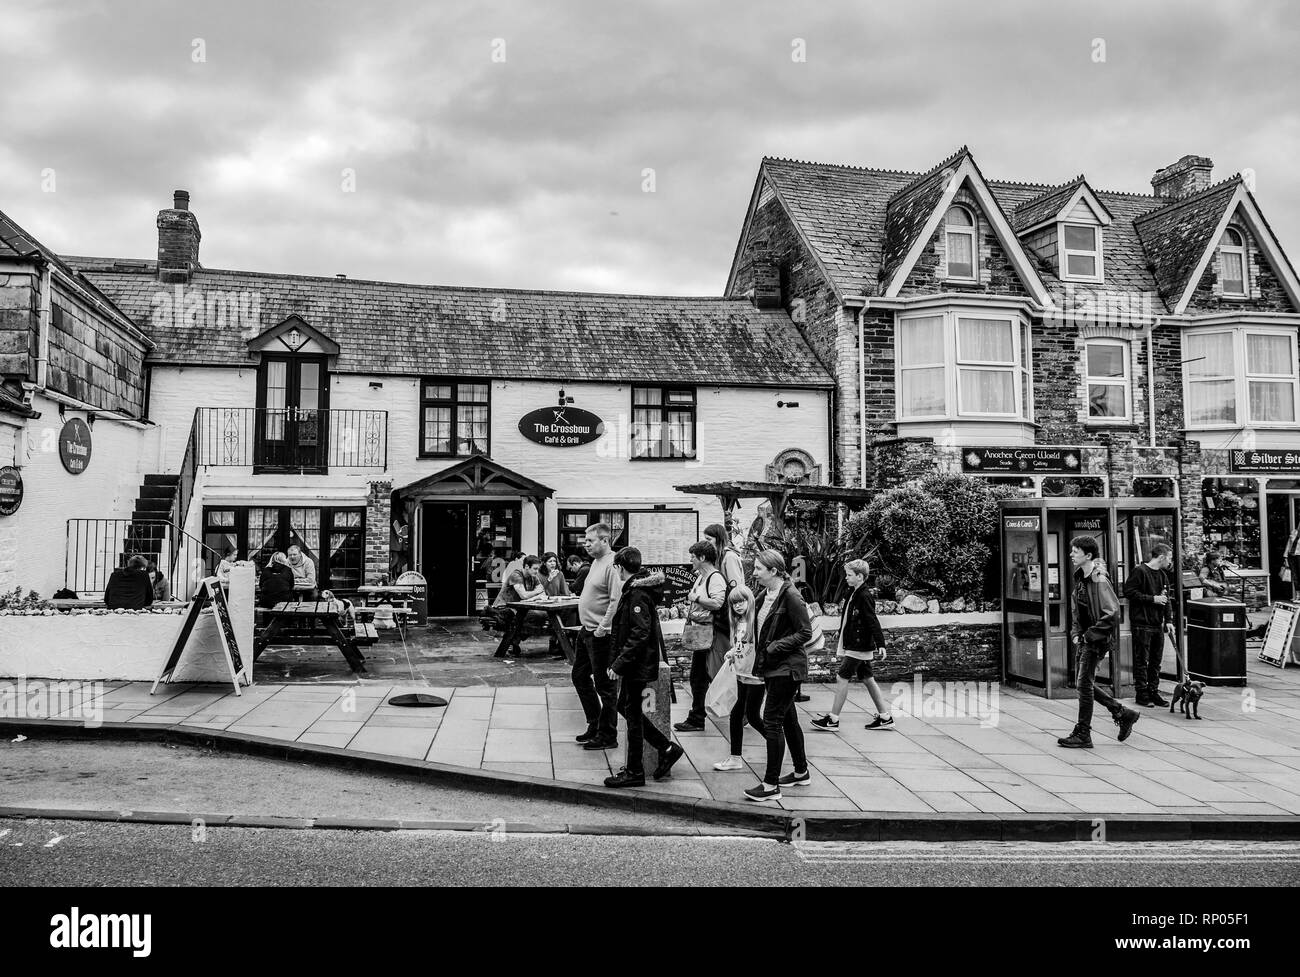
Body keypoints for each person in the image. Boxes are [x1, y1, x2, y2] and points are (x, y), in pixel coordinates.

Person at [603, 547, 683, 788]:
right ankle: (666, 748)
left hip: (636, 665)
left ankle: (635, 771)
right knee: (626, 708)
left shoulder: (637, 595)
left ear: (619, 567)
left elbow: (639, 634)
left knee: (633, 715)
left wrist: (619, 664)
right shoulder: (637, 590)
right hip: (636, 663)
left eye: (615, 567)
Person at [1058, 536, 1140, 749]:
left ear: (1088, 555)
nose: (1071, 555)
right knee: (1084, 683)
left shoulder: (1099, 580)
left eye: (1075, 552)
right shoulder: (1082, 577)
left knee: (1083, 684)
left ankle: (1084, 733)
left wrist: (1088, 635)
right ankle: (1122, 713)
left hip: (1096, 640)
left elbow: (1112, 613)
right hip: (1086, 638)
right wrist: (1076, 633)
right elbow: (1078, 608)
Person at [745, 549, 812, 802]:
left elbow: (804, 633)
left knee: (771, 721)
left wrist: (775, 646)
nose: (754, 573)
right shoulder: (767, 594)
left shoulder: (791, 596)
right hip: (774, 666)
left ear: (773, 571)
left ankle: (771, 785)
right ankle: (801, 771)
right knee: (788, 720)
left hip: (787, 668)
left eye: (758, 569)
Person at [811, 558, 895, 731]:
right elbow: (849, 615)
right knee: (867, 678)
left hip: (859, 645)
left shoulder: (864, 595)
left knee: (842, 677)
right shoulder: (853, 592)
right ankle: (885, 717)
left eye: (849, 575)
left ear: (860, 576)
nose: (846, 578)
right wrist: (841, 629)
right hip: (855, 643)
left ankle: (833, 719)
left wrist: (881, 644)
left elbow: (872, 620)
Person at [573, 523, 623, 751]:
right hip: (587, 631)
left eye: (590, 541)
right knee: (580, 676)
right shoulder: (595, 562)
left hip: (600, 634)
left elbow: (616, 600)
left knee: (605, 686)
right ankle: (594, 722)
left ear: (604, 541)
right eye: (585, 541)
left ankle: (608, 735)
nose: (585, 545)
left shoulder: (612, 565)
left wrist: (603, 627)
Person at [674, 539, 728, 733]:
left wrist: (696, 597)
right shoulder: (702, 577)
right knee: (701, 677)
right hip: (701, 633)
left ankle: (698, 718)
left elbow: (717, 603)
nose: (690, 560)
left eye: (693, 556)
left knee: (706, 676)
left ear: (702, 557)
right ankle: (697, 717)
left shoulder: (715, 578)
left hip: (711, 635)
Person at [714, 583, 766, 772]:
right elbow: (740, 645)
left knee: (752, 716)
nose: (738, 605)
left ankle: (777, 742)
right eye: (734, 603)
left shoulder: (756, 622)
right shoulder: (738, 622)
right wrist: (731, 653)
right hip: (740, 675)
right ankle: (735, 757)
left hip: (755, 677)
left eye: (741, 601)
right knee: (736, 715)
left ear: (750, 601)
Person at [1124, 542, 1174, 707]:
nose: (1170, 562)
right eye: (1169, 558)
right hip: (1141, 623)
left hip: (1157, 624)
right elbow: (1129, 592)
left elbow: (1167, 600)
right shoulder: (1139, 571)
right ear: (1161, 557)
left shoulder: (1162, 575)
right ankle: (1141, 693)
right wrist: (1152, 599)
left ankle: (1153, 691)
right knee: (1142, 661)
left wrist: (1169, 621)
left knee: (1155, 661)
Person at [490, 555, 547, 654]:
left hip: (520, 608)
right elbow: (524, 595)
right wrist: (535, 594)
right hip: (505, 608)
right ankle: (514, 640)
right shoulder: (516, 575)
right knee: (538, 615)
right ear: (526, 567)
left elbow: (543, 593)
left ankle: (514, 640)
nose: (537, 571)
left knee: (544, 615)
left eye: (538, 569)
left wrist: (533, 598)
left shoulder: (534, 577)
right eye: (535, 568)